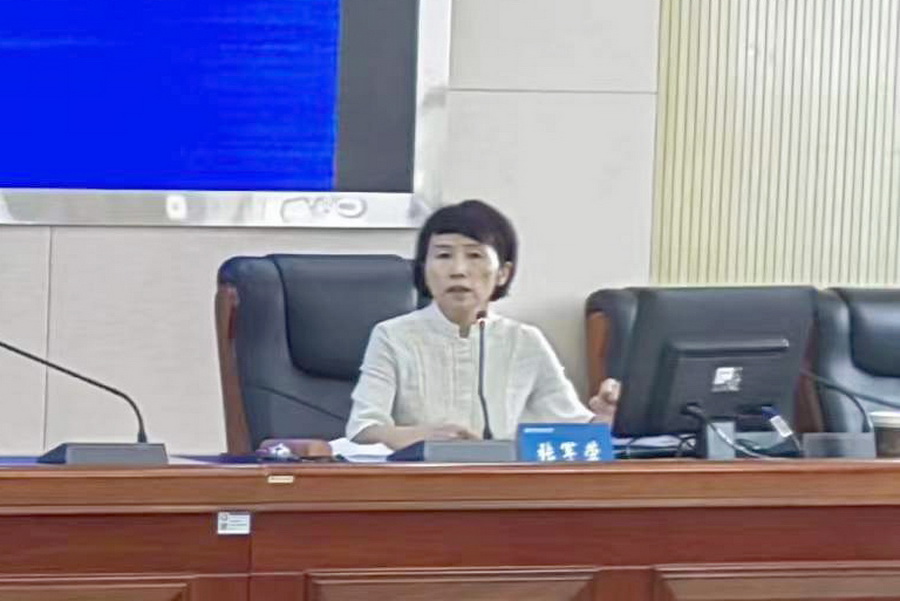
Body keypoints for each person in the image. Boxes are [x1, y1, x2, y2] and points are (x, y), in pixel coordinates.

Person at [346, 200, 620, 450]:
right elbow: (363, 431)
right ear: (423, 270)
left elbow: (576, 435)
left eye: (475, 256)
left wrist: (604, 418)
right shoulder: (392, 336)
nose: (458, 270)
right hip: (417, 481)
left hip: (502, 482)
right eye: (443, 256)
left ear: (503, 273)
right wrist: (423, 436)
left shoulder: (524, 341)